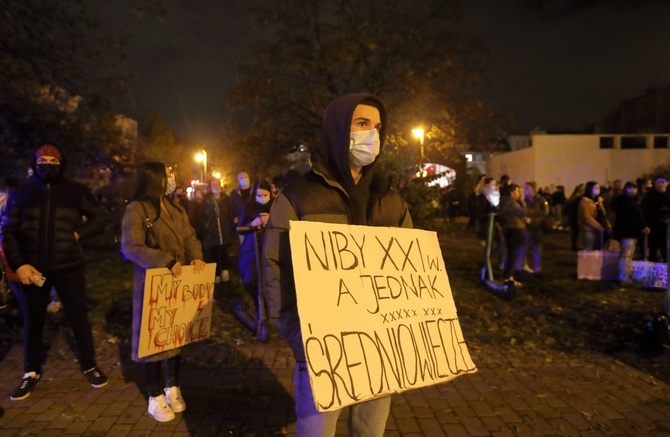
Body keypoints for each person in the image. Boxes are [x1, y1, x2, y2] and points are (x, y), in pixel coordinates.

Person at [263, 93, 412, 436]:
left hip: (380, 349)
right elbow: (276, 271)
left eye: (377, 127)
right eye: (362, 124)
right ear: (337, 129)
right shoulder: (298, 196)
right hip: (322, 352)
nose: (371, 135)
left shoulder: (391, 199)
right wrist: (300, 337)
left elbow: (408, 272)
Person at [0, 143, 110, 400]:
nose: (47, 163)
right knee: (33, 320)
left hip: (68, 266)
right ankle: (30, 372)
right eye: (42, 158)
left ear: (62, 163)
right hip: (32, 269)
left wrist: (78, 234)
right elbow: (8, 231)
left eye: (53, 158)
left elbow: (100, 216)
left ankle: (89, 365)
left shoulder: (76, 191)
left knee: (78, 317)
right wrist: (20, 264)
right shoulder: (21, 192)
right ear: (34, 162)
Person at [121, 162, 205, 422]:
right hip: (153, 284)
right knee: (155, 339)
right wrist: (164, 261)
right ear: (154, 179)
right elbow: (131, 246)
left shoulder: (176, 208)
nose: (172, 179)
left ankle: (173, 387)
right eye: (167, 175)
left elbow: (190, 237)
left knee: (176, 336)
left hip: (178, 284)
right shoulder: (136, 209)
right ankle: (154, 395)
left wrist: (196, 257)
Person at [237, 180, 274, 312]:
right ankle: (258, 305)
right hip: (252, 248)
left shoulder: (276, 205)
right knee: (251, 279)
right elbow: (240, 228)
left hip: (271, 247)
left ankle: (269, 309)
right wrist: (252, 224)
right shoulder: (248, 206)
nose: (262, 198)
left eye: (265, 195)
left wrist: (273, 219)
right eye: (259, 195)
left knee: (271, 280)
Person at [612, 182, 649, 285]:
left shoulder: (630, 201)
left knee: (626, 255)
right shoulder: (626, 202)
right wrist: (642, 226)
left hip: (627, 231)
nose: (632, 190)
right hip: (628, 231)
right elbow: (634, 218)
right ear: (625, 189)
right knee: (626, 255)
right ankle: (624, 278)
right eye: (630, 188)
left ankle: (626, 276)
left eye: (634, 188)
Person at [199, 179, 235, 284]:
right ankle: (216, 274)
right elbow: (201, 215)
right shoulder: (206, 200)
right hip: (211, 232)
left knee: (224, 252)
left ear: (220, 185)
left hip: (224, 231)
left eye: (217, 184)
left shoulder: (226, 199)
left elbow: (231, 213)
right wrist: (206, 226)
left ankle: (225, 272)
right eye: (213, 184)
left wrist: (231, 225)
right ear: (210, 186)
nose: (215, 186)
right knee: (213, 254)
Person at [498, 183, 526, 286]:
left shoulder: (505, 202)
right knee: (514, 256)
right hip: (515, 231)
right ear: (512, 192)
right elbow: (523, 212)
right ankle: (507, 276)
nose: (519, 193)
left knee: (511, 255)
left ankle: (508, 276)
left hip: (511, 230)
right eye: (517, 191)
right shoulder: (511, 203)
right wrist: (522, 201)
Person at [520, 181, 549, 275]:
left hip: (537, 229)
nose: (525, 191)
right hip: (527, 229)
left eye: (527, 188)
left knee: (537, 249)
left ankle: (537, 269)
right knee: (524, 248)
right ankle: (523, 266)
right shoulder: (523, 201)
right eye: (524, 189)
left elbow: (544, 214)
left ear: (533, 190)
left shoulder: (541, 200)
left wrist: (532, 220)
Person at [641, 175, 670, 262]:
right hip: (653, 227)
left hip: (666, 228)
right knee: (653, 250)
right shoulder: (649, 197)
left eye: (662, 182)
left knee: (666, 251)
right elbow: (644, 212)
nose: (660, 184)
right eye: (658, 182)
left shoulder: (668, 196)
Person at [578, 181, 610, 250]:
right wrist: (598, 226)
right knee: (589, 248)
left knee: (597, 249)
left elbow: (603, 213)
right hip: (589, 229)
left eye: (598, 188)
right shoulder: (585, 201)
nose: (597, 190)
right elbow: (586, 217)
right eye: (595, 188)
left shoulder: (598, 200)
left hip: (599, 228)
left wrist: (607, 224)